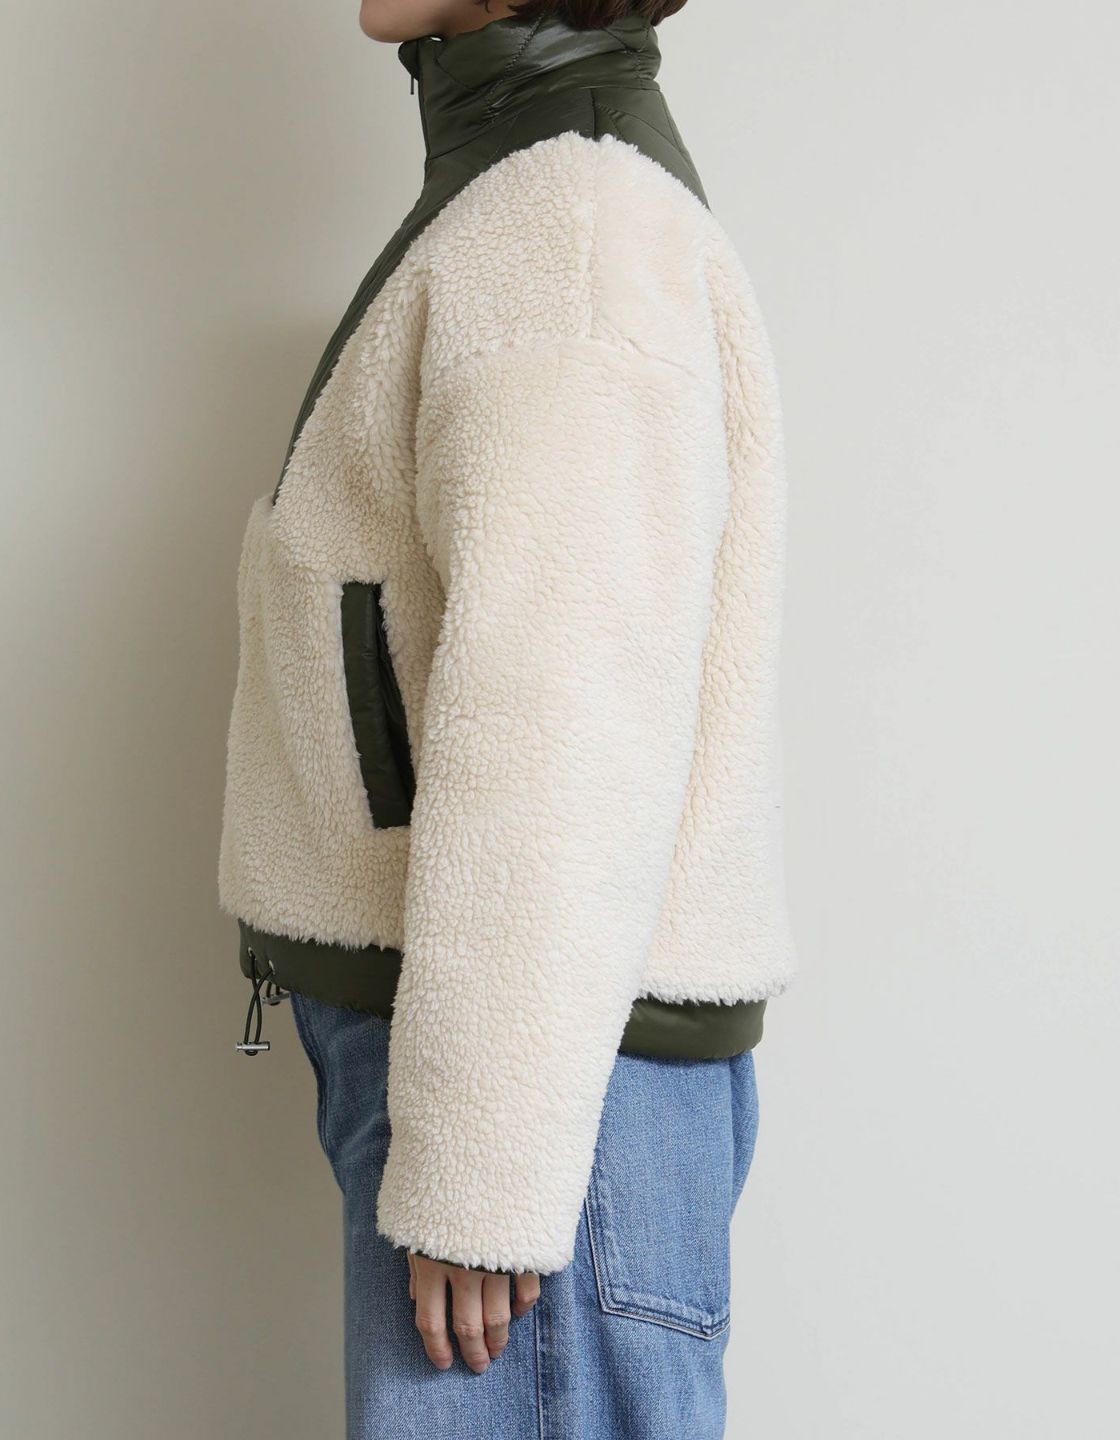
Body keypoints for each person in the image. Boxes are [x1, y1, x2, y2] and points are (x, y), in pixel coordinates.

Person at [217, 1, 795, 1434]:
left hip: (542, 1105)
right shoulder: (529, 202)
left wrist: (485, 1174)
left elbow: (568, 723)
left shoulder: (568, 232)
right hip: (536, 1080)